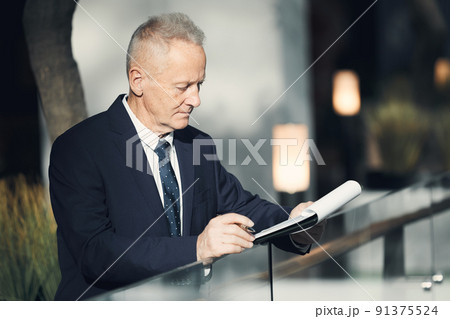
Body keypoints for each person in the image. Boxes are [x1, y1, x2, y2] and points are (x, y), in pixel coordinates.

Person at [49, 12, 325, 301]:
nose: (196, 100)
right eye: (182, 87)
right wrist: (197, 248)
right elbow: (96, 253)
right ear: (138, 81)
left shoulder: (197, 144)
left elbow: (244, 206)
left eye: (199, 85)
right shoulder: (80, 148)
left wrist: (295, 227)